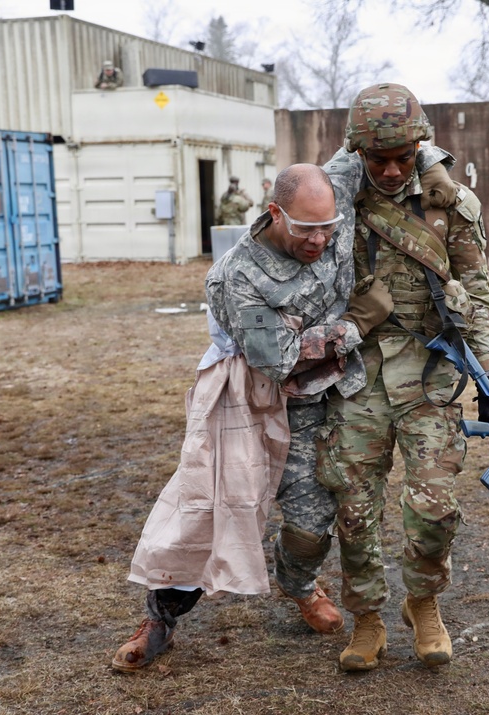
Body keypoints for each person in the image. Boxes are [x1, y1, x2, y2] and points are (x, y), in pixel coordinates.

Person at [112, 164, 394, 672]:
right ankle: (160, 618)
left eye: (329, 226)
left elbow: (366, 144)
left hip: (313, 402)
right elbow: (279, 357)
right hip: (246, 397)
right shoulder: (236, 274)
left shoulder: (331, 212)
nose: (321, 239)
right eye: (307, 228)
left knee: (311, 521)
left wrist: (429, 162)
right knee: (206, 506)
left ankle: (300, 586)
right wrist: (357, 323)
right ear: (275, 213)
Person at [317, 83, 489, 672]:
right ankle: (368, 617)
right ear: (356, 151)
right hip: (354, 372)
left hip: (429, 373)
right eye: (379, 159)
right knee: (353, 503)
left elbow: (476, 291)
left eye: (405, 156)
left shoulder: (451, 203)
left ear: (421, 143)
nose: (394, 169)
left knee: (435, 504)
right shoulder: (331, 199)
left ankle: (422, 604)